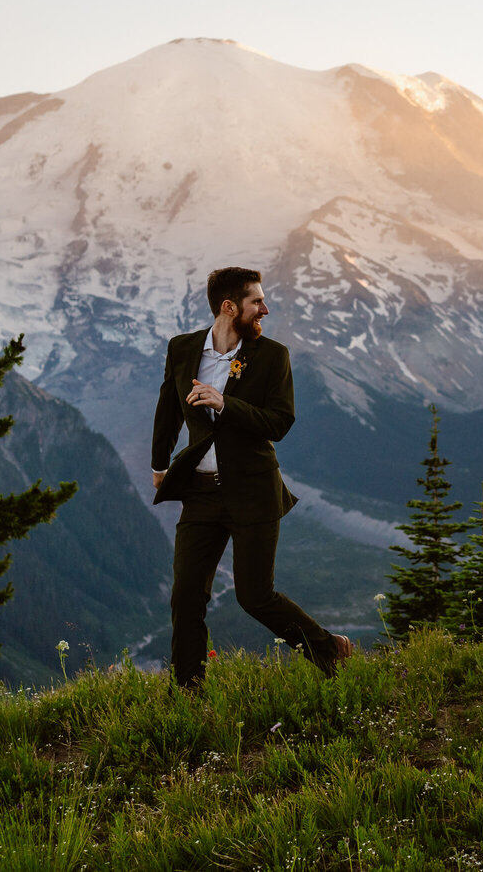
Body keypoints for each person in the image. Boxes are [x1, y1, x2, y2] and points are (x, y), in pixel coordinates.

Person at [152, 266, 354, 685]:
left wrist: (225, 403)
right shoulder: (182, 349)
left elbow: (279, 422)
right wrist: (159, 466)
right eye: (256, 302)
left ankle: (328, 650)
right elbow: (168, 410)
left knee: (254, 596)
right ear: (229, 308)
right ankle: (188, 693)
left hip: (254, 491)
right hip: (201, 496)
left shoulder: (272, 356)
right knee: (186, 596)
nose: (265, 308)